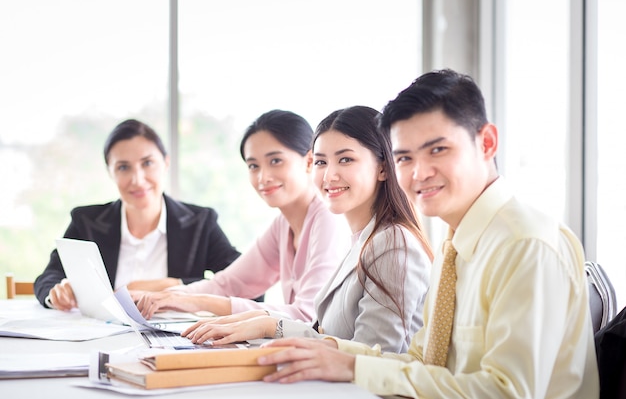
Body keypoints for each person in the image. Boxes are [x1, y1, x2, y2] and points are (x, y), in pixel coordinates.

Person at [257, 69, 599, 398]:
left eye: (438, 150)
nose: (419, 172)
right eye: (405, 157)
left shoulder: (524, 244)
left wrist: (354, 368)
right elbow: (422, 363)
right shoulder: (456, 246)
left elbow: (506, 393)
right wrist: (339, 357)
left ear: (487, 143)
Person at [180, 105, 433, 354]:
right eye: (322, 162)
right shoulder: (364, 238)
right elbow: (330, 336)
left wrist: (268, 325)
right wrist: (266, 325)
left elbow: (373, 355)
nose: (329, 175)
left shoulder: (393, 242)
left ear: (383, 167)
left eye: (345, 159)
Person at [130, 110, 351, 321]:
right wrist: (167, 298)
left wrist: (200, 303)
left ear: (309, 161)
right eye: (253, 166)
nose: (263, 177)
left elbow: (306, 316)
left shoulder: (328, 218)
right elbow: (227, 283)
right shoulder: (282, 225)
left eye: (275, 161)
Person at [34, 119, 240, 310]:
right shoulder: (86, 221)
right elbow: (49, 277)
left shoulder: (200, 222)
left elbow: (247, 285)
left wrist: (172, 285)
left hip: (176, 343)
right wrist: (57, 293)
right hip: (100, 340)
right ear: (110, 172)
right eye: (123, 167)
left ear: (166, 163)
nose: (138, 180)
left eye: (147, 163)